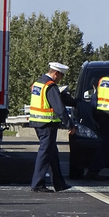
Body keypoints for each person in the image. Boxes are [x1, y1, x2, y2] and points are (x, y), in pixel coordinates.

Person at [29, 62, 75, 193]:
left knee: (52, 153)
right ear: (56, 73)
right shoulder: (50, 86)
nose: (61, 79)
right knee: (45, 153)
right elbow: (59, 108)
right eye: (61, 76)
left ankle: (59, 183)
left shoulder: (38, 83)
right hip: (47, 124)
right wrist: (69, 125)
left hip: (37, 122)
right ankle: (37, 184)